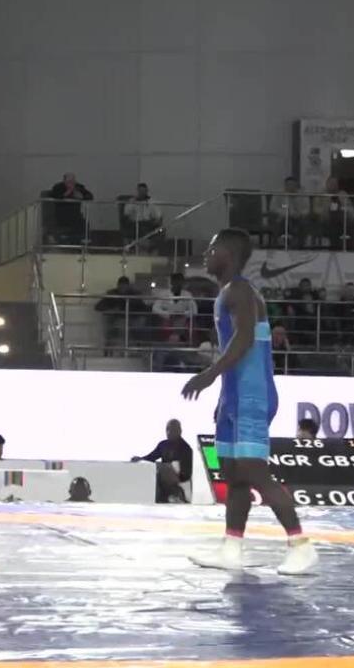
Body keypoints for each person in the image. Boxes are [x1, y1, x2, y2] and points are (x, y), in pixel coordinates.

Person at [182, 228, 317, 575]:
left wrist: (209, 375)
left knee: (253, 470)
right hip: (235, 394)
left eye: (212, 249)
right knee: (232, 472)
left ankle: (301, 546)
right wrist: (223, 394)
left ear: (228, 254)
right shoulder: (229, 291)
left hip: (252, 394)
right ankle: (232, 548)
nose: (206, 255)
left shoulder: (241, 291)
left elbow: (243, 340)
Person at [131, 419, 193, 503]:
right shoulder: (163, 445)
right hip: (164, 478)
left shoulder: (186, 448)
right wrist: (140, 459)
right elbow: (151, 457)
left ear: (180, 431)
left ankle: (177, 494)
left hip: (179, 478)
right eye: (167, 429)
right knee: (155, 468)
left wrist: (172, 472)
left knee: (163, 467)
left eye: (173, 429)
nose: (169, 432)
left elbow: (187, 472)